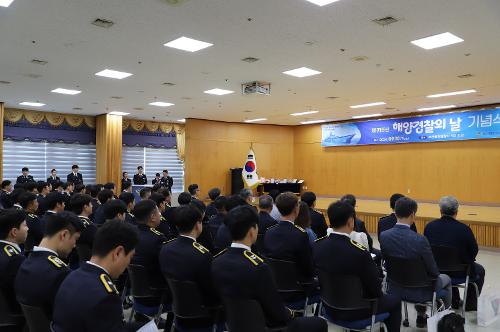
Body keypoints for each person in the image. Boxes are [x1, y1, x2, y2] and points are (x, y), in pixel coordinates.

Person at [212, 205, 327, 332]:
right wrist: (290, 313)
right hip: (266, 326)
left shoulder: (216, 261)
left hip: (233, 324)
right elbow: (277, 314)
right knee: (319, 323)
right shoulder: (259, 267)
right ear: (252, 230)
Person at [313, 201, 401, 332]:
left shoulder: (317, 245)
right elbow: (375, 289)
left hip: (328, 307)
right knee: (394, 301)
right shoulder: (359, 252)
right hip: (357, 312)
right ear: (350, 221)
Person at [52, 220, 140, 332]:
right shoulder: (106, 296)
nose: (128, 263)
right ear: (118, 253)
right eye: (130, 257)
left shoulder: (70, 276)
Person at [380, 197, 452, 328]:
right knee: (446, 279)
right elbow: (433, 271)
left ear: (395, 213)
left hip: (395, 288)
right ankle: (443, 322)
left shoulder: (384, 236)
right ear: (413, 214)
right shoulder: (420, 240)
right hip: (422, 292)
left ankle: (424, 316)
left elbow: (387, 262)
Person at [160, 204, 221, 329]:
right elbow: (211, 292)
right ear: (198, 225)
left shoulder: (165, 248)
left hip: (177, 309)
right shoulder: (203, 255)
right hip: (202, 316)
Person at [15, 212, 83, 318]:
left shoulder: (24, 263)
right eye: (75, 239)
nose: (74, 245)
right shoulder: (60, 273)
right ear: (64, 235)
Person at [424, 196, 485, 310]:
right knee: (480, 270)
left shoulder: (429, 227)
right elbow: (473, 251)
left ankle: (454, 300)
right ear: (456, 212)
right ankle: (470, 304)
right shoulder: (464, 229)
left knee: (449, 264)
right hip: (460, 272)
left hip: (436, 270)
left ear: (440, 210)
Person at [263, 192, 314, 283]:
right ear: (296, 209)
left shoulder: (269, 231)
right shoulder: (301, 234)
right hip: (296, 286)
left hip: (275, 282)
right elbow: (307, 268)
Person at [130, 200, 166, 313]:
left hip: (136, 291)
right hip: (156, 294)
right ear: (152, 217)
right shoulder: (157, 239)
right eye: (158, 212)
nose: (160, 214)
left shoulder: (130, 233)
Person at [0, 209, 28, 318]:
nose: (28, 228)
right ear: (14, 232)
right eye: (25, 225)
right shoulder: (15, 260)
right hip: (13, 316)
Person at [71, 194, 97, 262]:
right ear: (85, 207)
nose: (92, 206)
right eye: (90, 204)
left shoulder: (69, 222)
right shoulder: (90, 227)